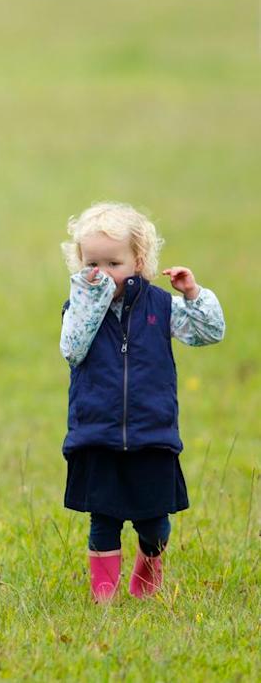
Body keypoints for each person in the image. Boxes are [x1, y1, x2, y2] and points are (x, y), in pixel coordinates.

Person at [59, 202, 225, 603]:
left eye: (113, 263)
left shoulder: (161, 307)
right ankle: (103, 598)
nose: (102, 272)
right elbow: (73, 349)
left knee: (153, 522)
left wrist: (192, 293)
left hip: (152, 431)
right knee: (104, 518)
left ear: (139, 261)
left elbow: (210, 332)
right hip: (96, 432)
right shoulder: (79, 308)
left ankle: (150, 561)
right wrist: (92, 300)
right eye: (91, 263)